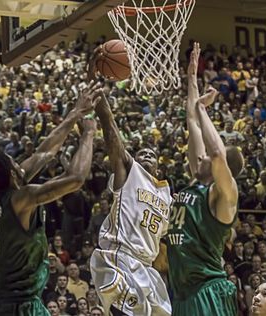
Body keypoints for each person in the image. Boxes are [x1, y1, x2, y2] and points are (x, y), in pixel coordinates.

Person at [0, 82, 99, 316]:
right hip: (21, 306)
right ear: (13, 173)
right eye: (13, 160)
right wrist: (89, 134)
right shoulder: (22, 199)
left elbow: (44, 153)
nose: (17, 161)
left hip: (2, 304)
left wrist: (76, 112)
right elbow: (75, 178)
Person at [166, 43, 244, 316]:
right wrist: (191, 78)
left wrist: (203, 109)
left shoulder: (223, 194)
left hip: (207, 291)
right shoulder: (197, 181)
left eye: (206, 159)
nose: (200, 159)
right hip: (183, 291)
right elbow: (192, 122)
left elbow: (217, 153)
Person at [89, 89, 173, 315]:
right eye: (141, 153)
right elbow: (115, 146)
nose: (145, 156)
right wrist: (105, 112)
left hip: (147, 267)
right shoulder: (129, 174)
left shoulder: (167, 195)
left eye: (150, 155)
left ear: (159, 167)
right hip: (121, 258)